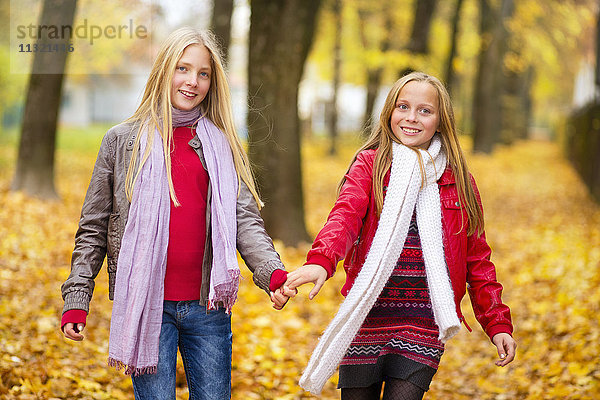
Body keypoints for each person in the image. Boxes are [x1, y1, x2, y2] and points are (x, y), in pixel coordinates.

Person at [60, 27, 292, 400]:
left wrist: (272, 272)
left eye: (203, 73)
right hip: (146, 306)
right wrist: (76, 299)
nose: (192, 81)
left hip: (208, 309)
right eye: (182, 69)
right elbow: (93, 228)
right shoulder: (121, 142)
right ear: (164, 71)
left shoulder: (223, 144)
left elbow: (244, 220)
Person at [285, 71, 516, 400]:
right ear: (389, 112)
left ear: (441, 120)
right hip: (366, 314)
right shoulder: (371, 165)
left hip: (423, 320)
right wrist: (321, 261)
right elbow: (345, 216)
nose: (411, 118)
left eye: (424, 110)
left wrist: (497, 323)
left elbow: (477, 259)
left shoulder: (457, 179)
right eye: (403, 107)